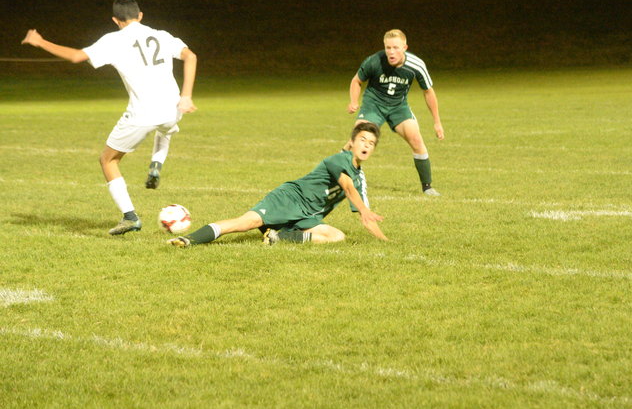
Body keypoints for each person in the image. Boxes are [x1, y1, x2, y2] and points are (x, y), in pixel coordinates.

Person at [21, 0, 197, 235]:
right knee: (166, 129)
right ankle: (157, 163)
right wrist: (186, 96)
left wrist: (40, 41)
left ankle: (130, 217)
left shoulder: (113, 40)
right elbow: (191, 56)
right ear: (140, 15)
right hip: (174, 107)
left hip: (142, 113)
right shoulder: (161, 35)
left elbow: (76, 57)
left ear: (115, 20)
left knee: (108, 160)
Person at [168, 123, 388, 247]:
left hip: (307, 217)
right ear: (352, 142)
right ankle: (188, 239)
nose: (366, 145)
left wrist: (385, 241)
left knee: (336, 236)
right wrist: (364, 209)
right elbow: (347, 187)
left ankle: (277, 236)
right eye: (362, 139)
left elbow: (366, 216)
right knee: (246, 222)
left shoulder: (360, 178)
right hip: (289, 199)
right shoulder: (338, 159)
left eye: (371, 143)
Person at [346, 29, 444, 196]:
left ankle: (427, 187)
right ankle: (338, 176)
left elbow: (428, 91)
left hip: (398, 107)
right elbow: (356, 81)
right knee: (359, 138)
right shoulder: (374, 61)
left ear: (405, 47)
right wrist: (354, 101)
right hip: (374, 105)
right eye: (388, 47)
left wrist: (437, 122)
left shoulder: (416, 65)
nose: (391, 52)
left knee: (416, 139)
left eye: (396, 48)